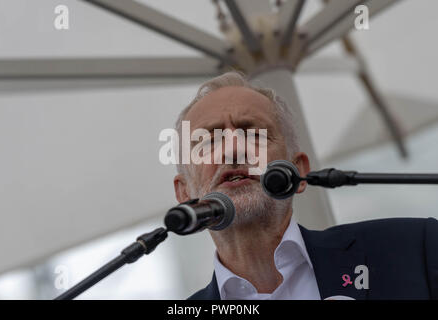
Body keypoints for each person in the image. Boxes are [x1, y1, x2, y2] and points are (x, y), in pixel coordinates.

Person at [172, 71, 438, 300]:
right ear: (184, 193)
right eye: (208, 142)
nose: (233, 150)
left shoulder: (415, 250)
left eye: (253, 134)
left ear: (297, 171)